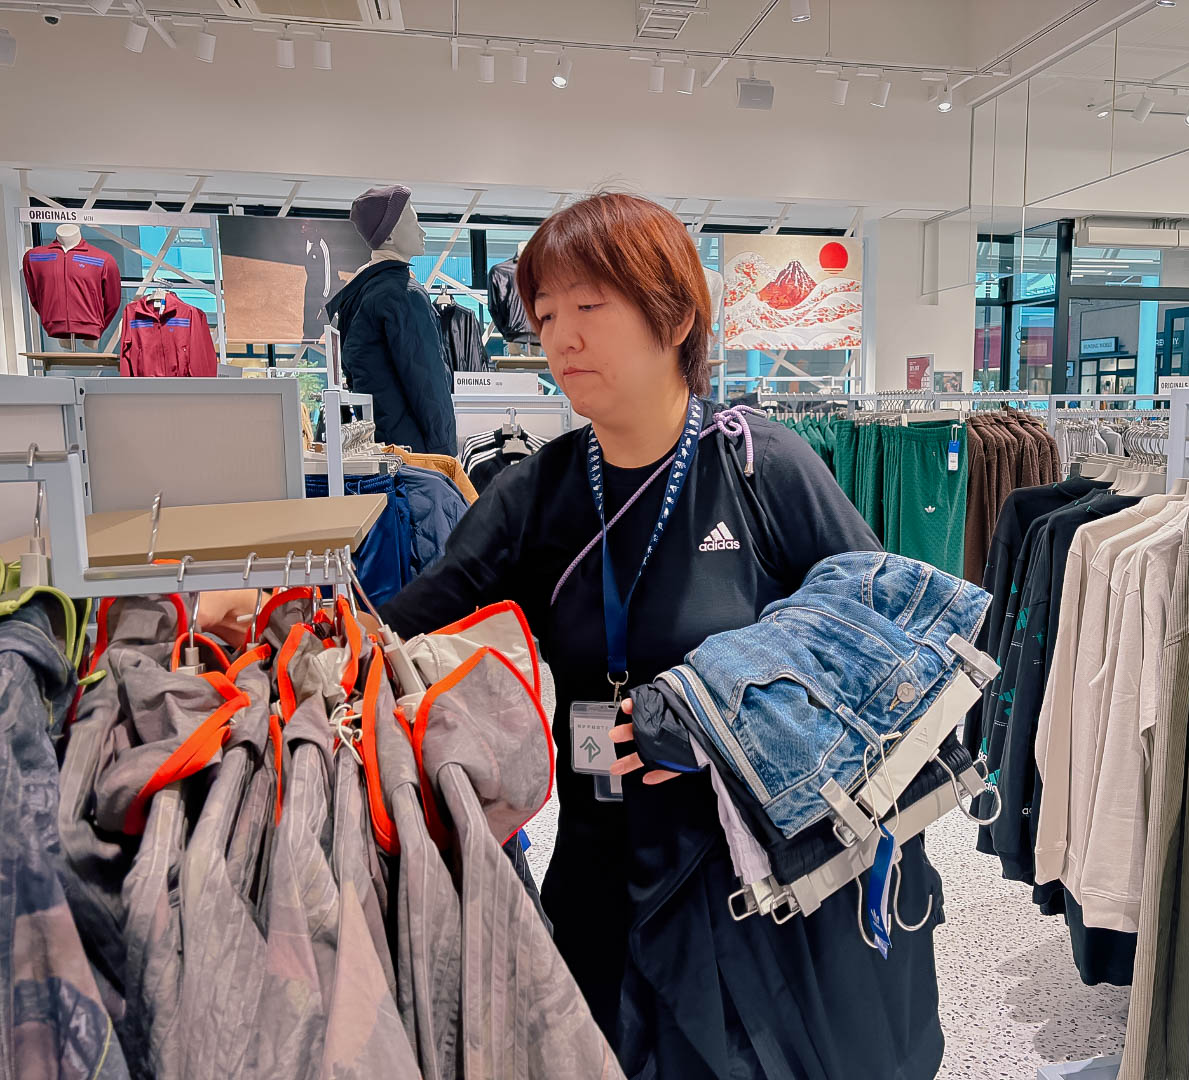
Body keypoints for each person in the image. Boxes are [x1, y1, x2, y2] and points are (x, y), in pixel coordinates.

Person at [368, 193, 948, 1078]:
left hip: (756, 885)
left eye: (589, 307)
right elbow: (409, 627)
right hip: (602, 874)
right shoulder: (538, 492)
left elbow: (883, 649)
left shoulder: (761, 464)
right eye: (547, 313)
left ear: (674, 315)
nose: (561, 337)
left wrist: (714, 713)